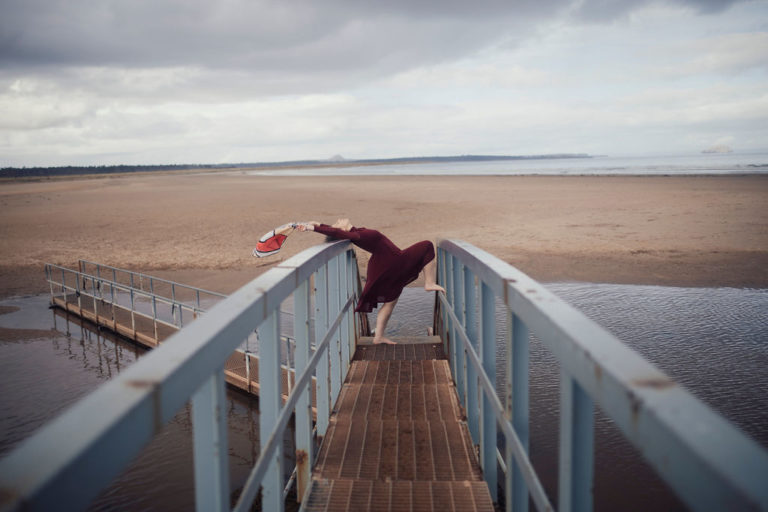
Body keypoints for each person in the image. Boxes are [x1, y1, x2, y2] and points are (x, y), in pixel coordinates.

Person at [298, 219, 445, 345]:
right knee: (427, 245)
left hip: (387, 264)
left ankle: (378, 336)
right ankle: (429, 283)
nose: (339, 220)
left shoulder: (356, 232)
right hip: (393, 261)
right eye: (337, 223)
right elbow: (337, 233)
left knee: (390, 303)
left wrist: (319, 224)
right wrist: (312, 228)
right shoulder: (356, 235)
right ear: (342, 229)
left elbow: (335, 231)